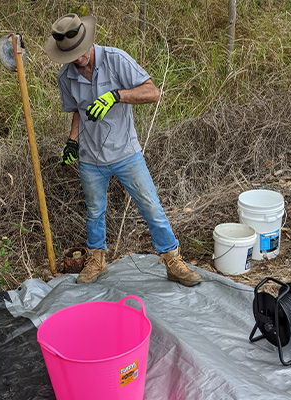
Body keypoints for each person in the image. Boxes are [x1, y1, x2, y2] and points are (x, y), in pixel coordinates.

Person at [44, 13, 201, 286]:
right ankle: (97, 260)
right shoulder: (65, 77)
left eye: (81, 52)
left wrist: (116, 95)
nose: (78, 58)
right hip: (90, 157)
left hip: (126, 152)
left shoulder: (116, 60)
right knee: (94, 210)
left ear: (89, 41)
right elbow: (78, 112)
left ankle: (172, 260)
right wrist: (72, 140)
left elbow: (152, 92)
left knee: (150, 205)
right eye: (71, 55)